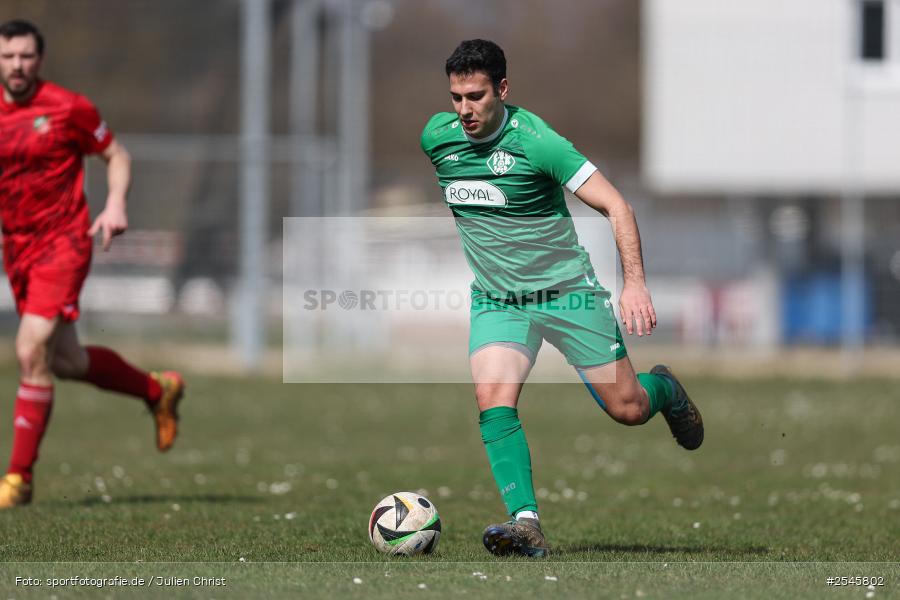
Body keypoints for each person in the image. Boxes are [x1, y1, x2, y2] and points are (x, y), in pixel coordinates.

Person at [420, 39, 703, 557]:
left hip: (567, 294)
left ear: (502, 89)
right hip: (498, 300)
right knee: (492, 401)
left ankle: (663, 390)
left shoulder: (539, 142)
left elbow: (617, 206)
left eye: (476, 96)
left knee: (627, 409)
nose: (464, 110)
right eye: (456, 97)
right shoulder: (437, 139)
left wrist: (634, 282)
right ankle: (525, 522)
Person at [0, 19, 184, 509]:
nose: (17, 65)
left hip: (62, 244)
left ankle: (18, 479)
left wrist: (116, 203)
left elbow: (116, 155)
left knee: (28, 349)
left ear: (38, 60)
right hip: (16, 250)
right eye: (8, 56)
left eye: (25, 56)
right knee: (65, 361)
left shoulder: (66, 107)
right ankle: (156, 389)